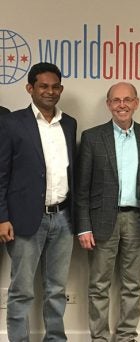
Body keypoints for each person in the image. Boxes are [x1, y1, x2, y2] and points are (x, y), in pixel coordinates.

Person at [75, 82, 140, 342]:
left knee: (132, 285)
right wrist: (84, 226)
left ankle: (126, 337)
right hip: (101, 221)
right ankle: (99, 338)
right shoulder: (92, 137)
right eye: (116, 100)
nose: (121, 104)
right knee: (99, 286)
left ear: (136, 103)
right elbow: (82, 188)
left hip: (138, 221)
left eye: (127, 99)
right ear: (108, 104)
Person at [0, 62, 77, 341]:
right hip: (23, 219)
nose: (50, 91)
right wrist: (2, 217)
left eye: (55, 86)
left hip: (63, 219)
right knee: (21, 291)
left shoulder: (68, 123)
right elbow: (2, 173)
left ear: (61, 89)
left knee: (56, 289)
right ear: (30, 88)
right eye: (43, 86)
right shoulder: (11, 123)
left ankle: (55, 339)